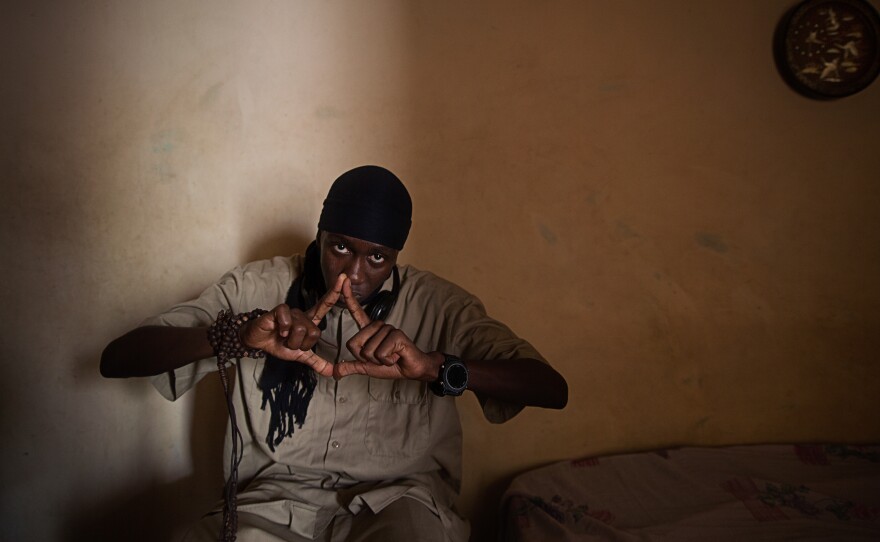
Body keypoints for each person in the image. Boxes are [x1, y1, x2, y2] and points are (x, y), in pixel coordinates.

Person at [101, 165, 568, 542]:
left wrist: (436, 366)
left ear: (397, 257)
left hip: (400, 503)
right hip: (275, 504)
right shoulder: (255, 288)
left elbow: (549, 387)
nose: (353, 275)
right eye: (340, 248)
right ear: (319, 236)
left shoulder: (440, 305)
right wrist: (237, 334)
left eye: (377, 258)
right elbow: (118, 358)